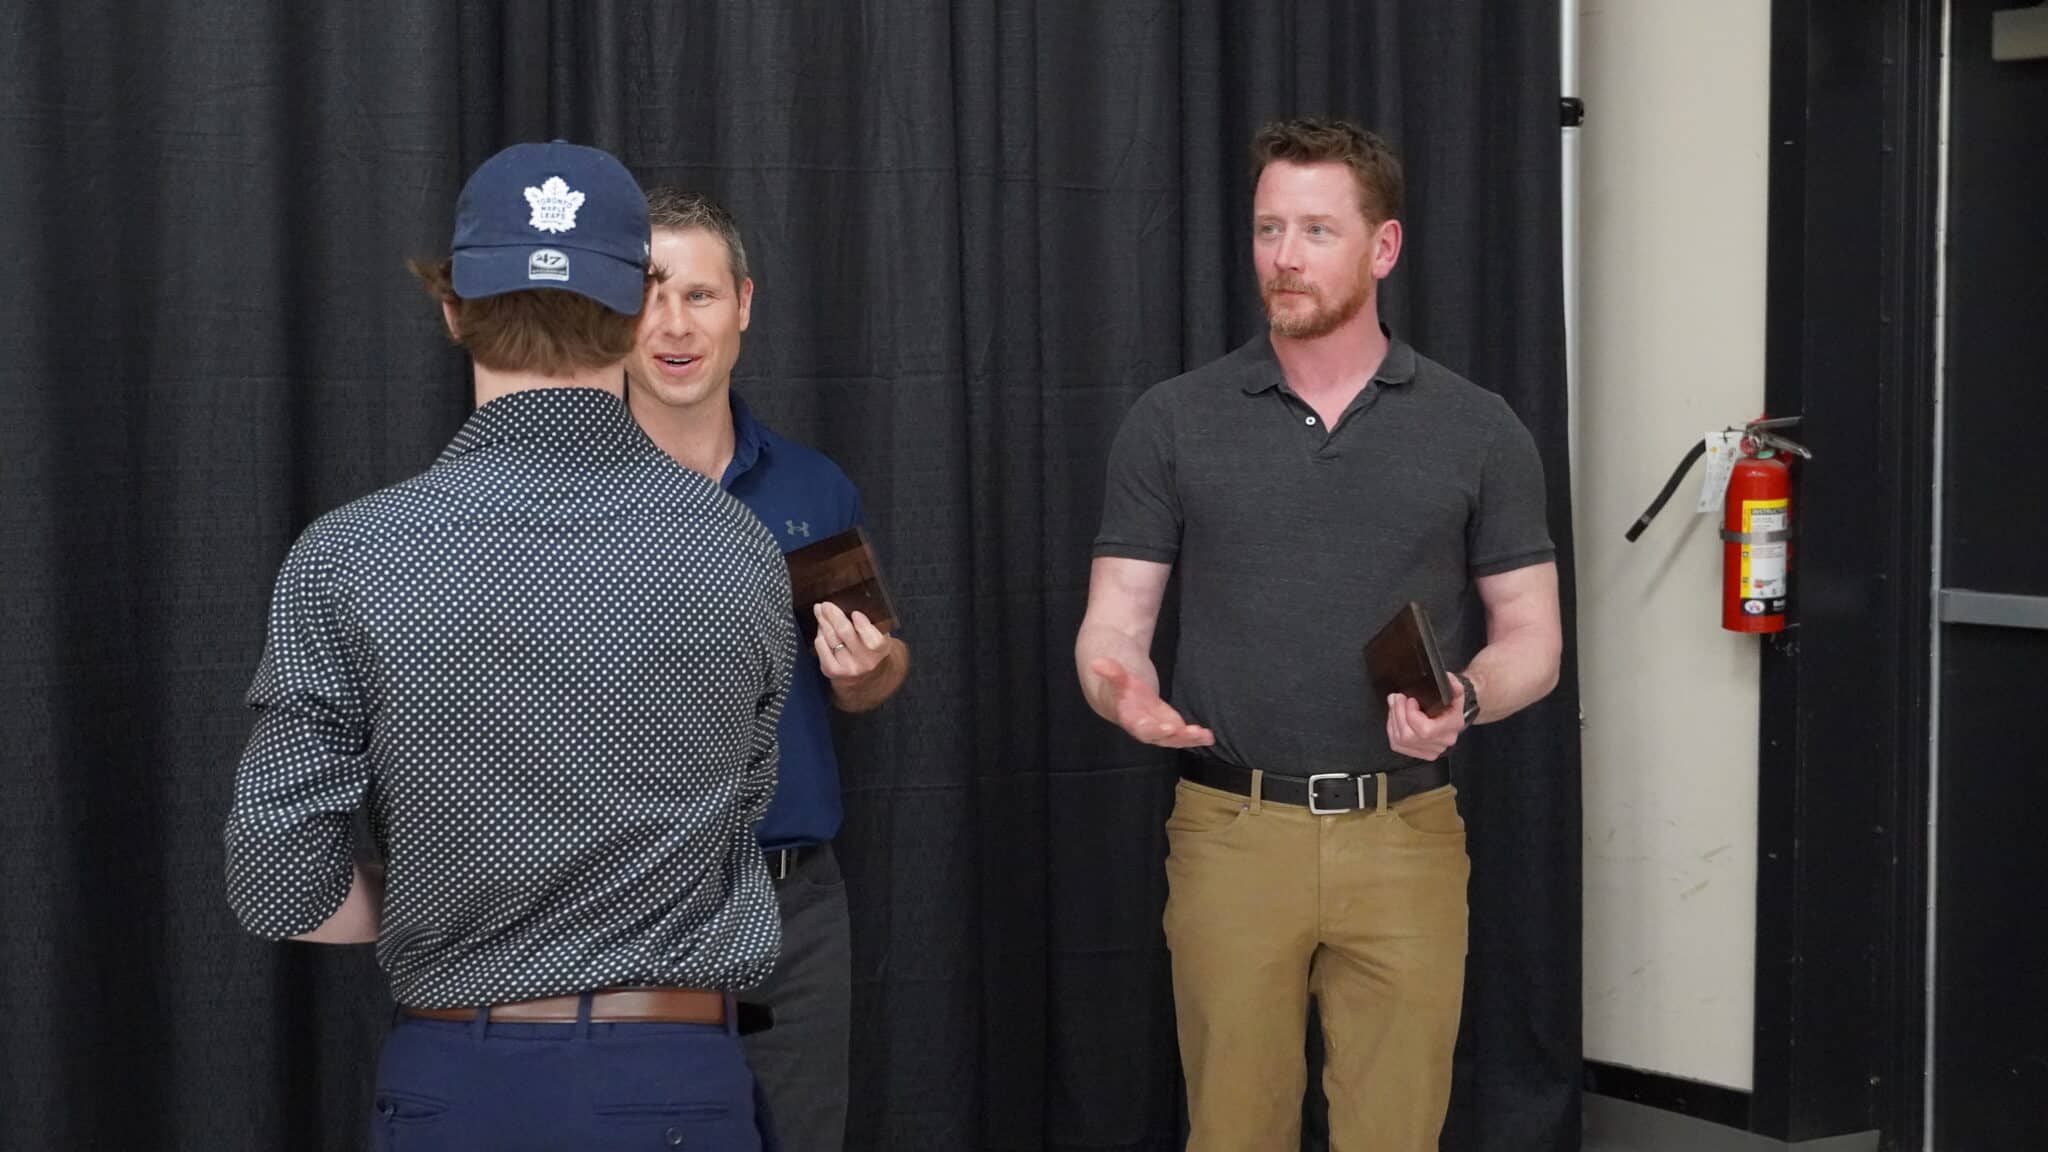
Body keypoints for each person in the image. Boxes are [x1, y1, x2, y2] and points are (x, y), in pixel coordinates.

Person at [223, 141, 794, 1150]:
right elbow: (736, 817)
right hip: (675, 1083)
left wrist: (459, 889)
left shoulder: (349, 555)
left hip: (459, 1083)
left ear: (452, 308)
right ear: (636, 311)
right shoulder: (738, 548)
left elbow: (278, 884)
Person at [1074, 117, 1563, 1151]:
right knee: (1232, 1131)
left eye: (1315, 231)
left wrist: (1466, 698)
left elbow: (1532, 636)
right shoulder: (1174, 419)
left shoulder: (1478, 428)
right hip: (1231, 830)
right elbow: (1113, 623)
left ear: (1383, 247)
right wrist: (1122, 691)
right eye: (1268, 229)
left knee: (1395, 1134)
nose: (1283, 257)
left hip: (1405, 833)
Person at [624, 187, 910, 1152]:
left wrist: (867, 672)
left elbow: (881, 663)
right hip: (624, 906)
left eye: (699, 296)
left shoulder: (810, 487)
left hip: (794, 912)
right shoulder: (570, 495)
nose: (673, 324)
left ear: (743, 305)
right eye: (649, 294)